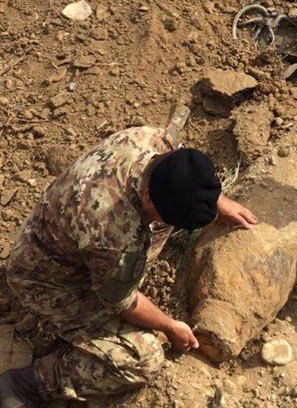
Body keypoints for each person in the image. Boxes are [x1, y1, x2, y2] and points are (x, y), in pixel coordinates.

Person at [1, 126, 257, 407]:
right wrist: (170, 326)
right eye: (165, 218)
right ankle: (31, 382)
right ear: (148, 197)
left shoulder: (150, 140)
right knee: (142, 360)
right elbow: (122, 301)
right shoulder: (112, 234)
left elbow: (182, 165)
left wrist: (213, 199)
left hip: (64, 233)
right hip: (46, 279)